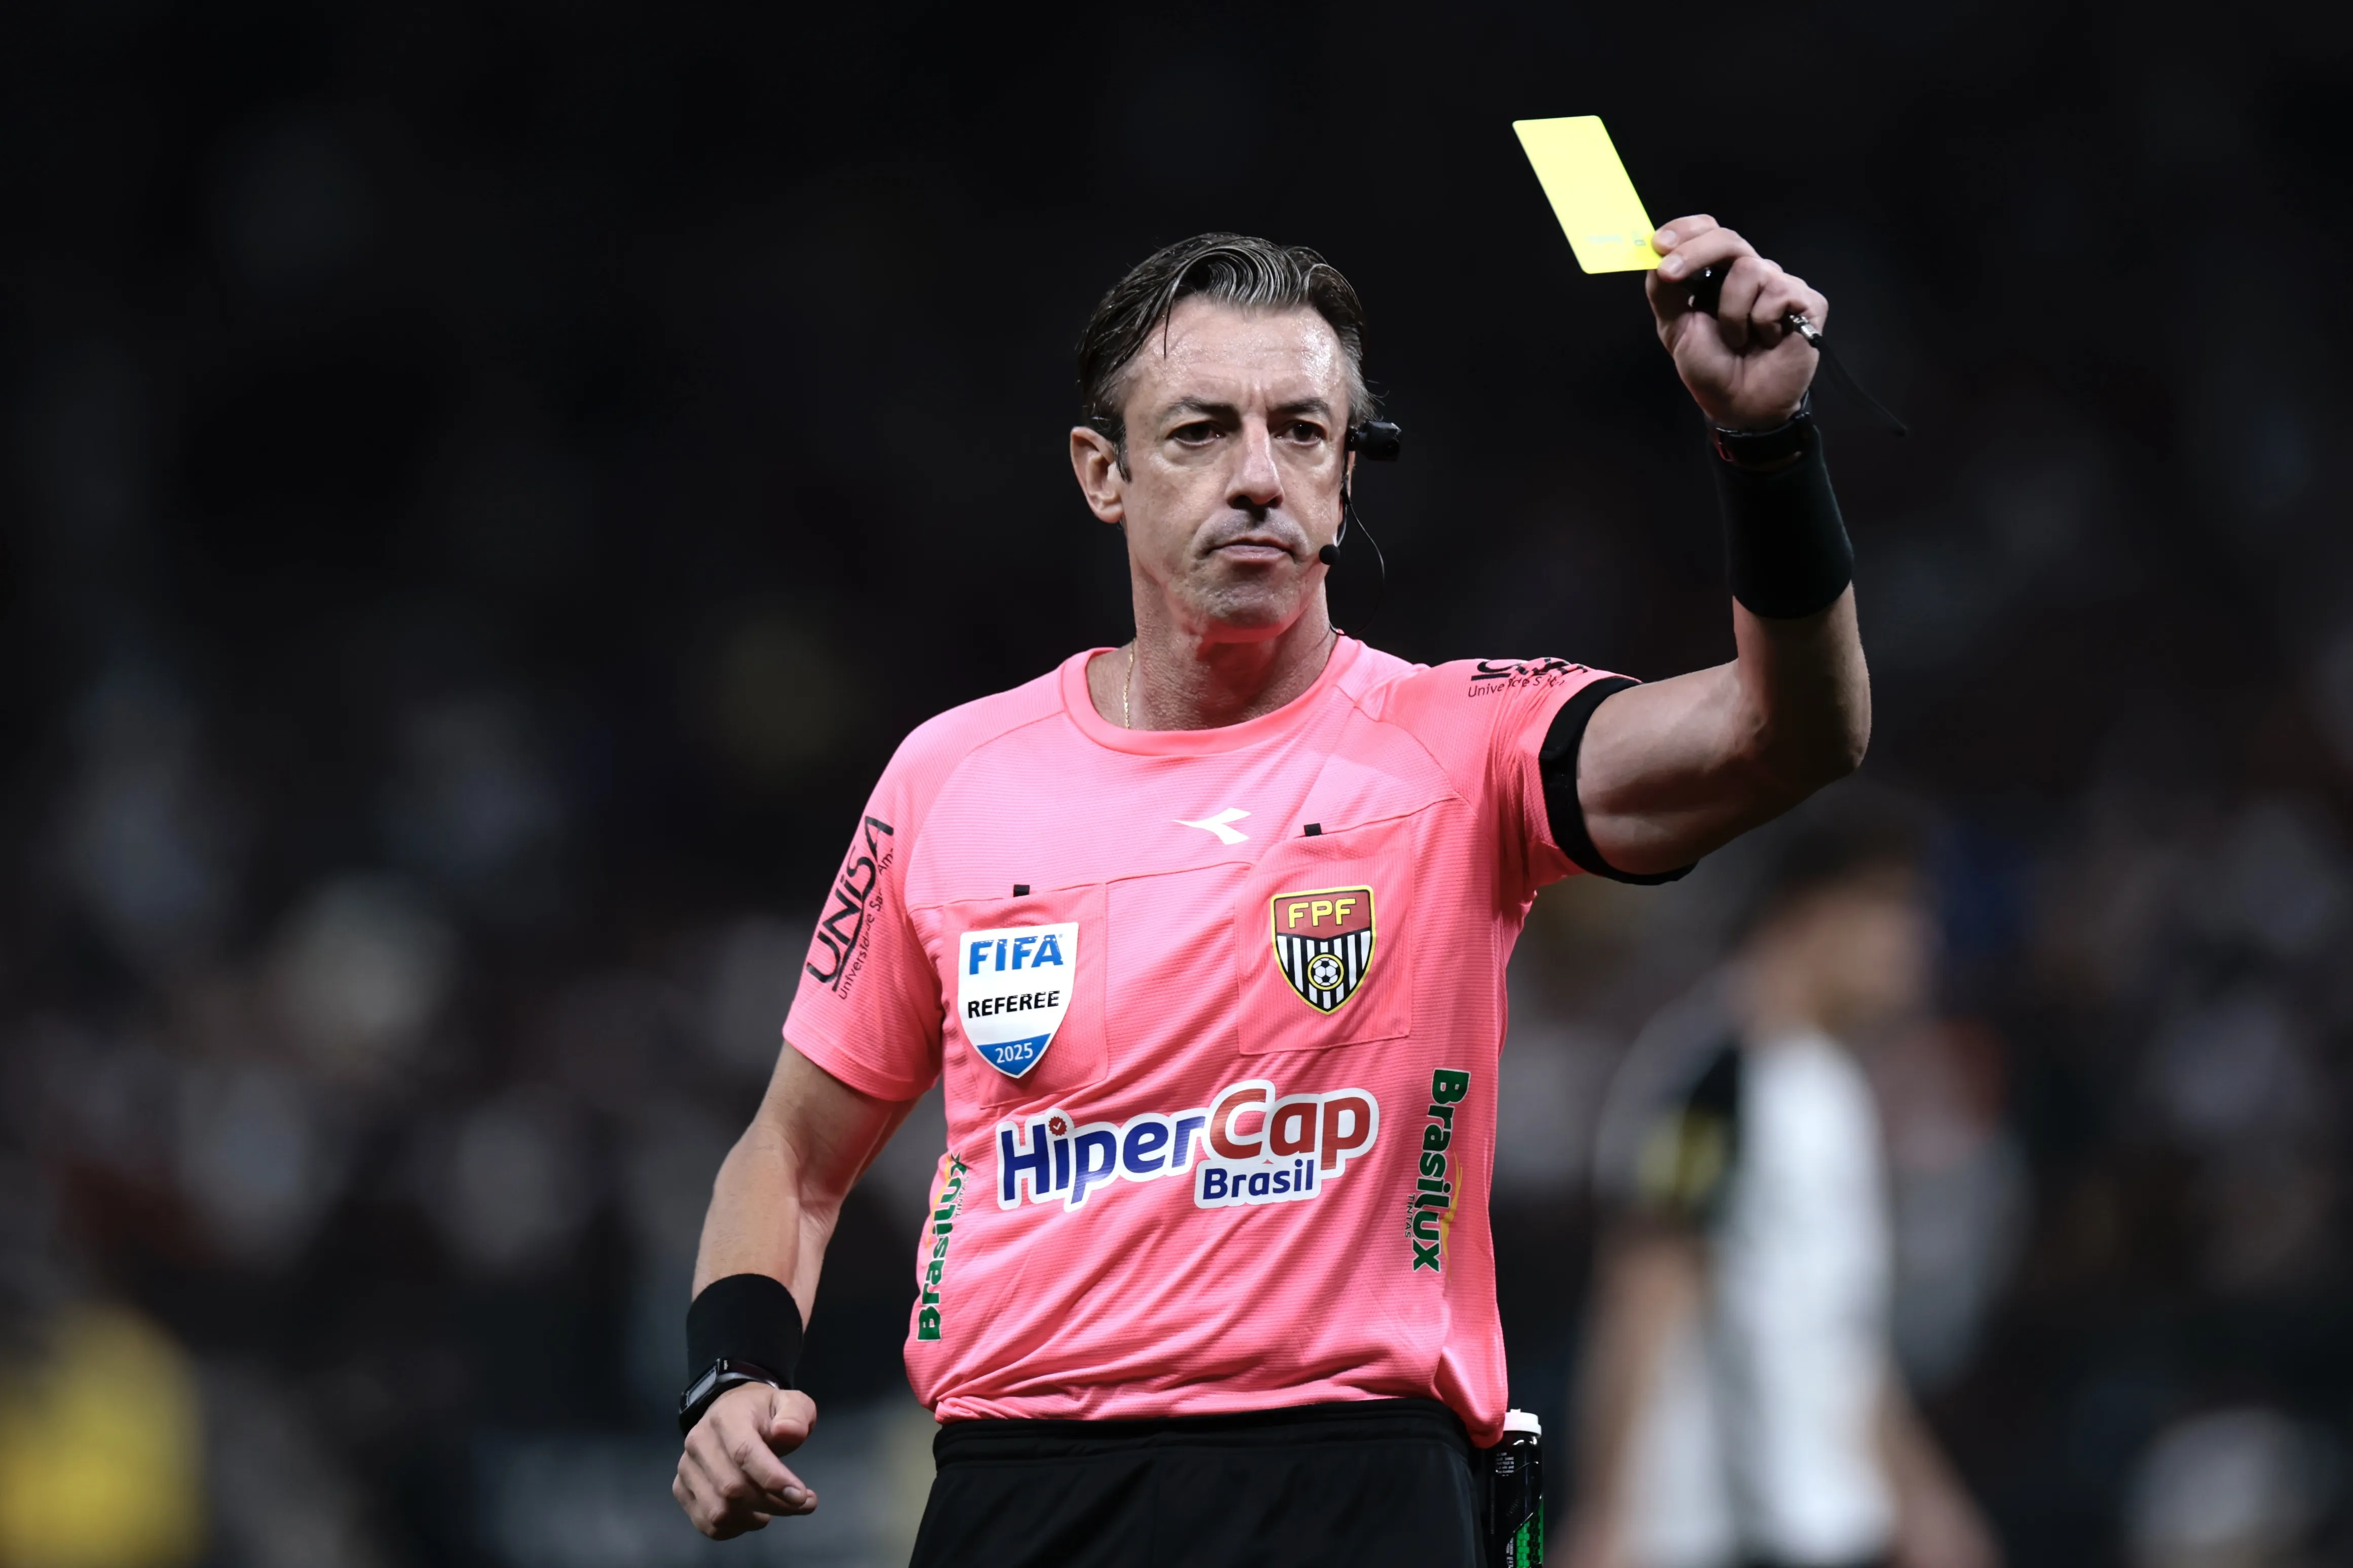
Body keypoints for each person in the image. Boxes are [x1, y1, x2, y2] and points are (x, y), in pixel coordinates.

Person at [670, 216, 1874, 1565]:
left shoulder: (1458, 742)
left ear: (1347, 476)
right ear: (1101, 472)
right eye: (1199, 431)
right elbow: (790, 1151)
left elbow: (1792, 736)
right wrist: (733, 1364)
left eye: (1302, 431)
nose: (1258, 475)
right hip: (1027, 1489)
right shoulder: (950, 775)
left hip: (1357, 1483)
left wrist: (1765, 446)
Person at [1565, 807, 2001, 1568]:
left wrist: (1925, 1501)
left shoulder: (1826, 1086)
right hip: (1714, 1532)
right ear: (1812, 912)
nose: (1916, 943)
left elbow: (1838, 1338)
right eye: (1893, 909)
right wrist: (1605, 1512)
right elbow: (1647, 1283)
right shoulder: (1712, 1077)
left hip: (1825, 1524)